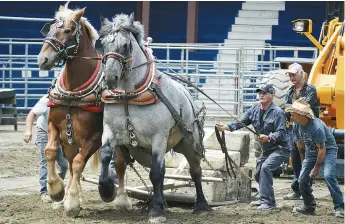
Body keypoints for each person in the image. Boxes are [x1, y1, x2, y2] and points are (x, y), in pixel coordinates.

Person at [216, 84, 290, 211]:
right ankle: (265, 199)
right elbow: (241, 122)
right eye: (260, 92)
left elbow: (282, 133)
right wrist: (227, 127)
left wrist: (269, 137)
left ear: (272, 96)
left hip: (280, 148)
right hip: (266, 149)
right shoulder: (255, 109)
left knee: (265, 169)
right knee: (258, 173)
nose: (261, 95)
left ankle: (267, 203)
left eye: (264, 93)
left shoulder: (278, 113)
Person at [286, 98, 344, 217]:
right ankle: (309, 206)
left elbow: (322, 149)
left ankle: (340, 207)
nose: (291, 117)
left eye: (293, 114)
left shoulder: (316, 127)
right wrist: (304, 164)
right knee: (302, 179)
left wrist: (316, 169)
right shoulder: (297, 126)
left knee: (328, 176)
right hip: (311, 152)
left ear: (302, 114)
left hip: (328, 150)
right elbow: (300, 145)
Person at [283, 63, 320, 200]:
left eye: (294, 74)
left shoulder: (310, 89)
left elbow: (304, 107)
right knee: (296, 160)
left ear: (301, 73)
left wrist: (292, 108)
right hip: (295, 129)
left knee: (307, 159)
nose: (292, 77)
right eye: (290, 75)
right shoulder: (290, 91)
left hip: (308, 129)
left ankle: (306, 188)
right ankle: (297, 189)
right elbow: (287, 110)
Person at [24, 94, 68, 203]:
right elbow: (31, 114)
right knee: (45, 161)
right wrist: (28, 131)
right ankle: (44, 191)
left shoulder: (69, 100)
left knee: (64, 164)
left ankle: (57, 185)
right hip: (43, 131)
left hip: (59, 133)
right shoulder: (46, 100)